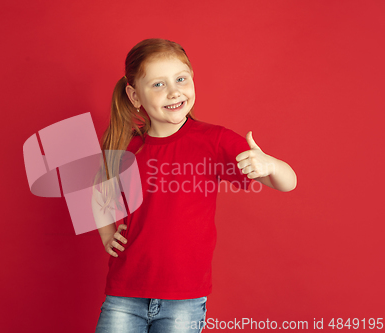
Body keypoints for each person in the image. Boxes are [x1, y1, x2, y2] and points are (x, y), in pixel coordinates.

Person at [93, 38, 297, 333]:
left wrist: (271, 166)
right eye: (158, 84)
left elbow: (288, 183)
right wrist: (106, 235)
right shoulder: (126, 145)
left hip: (184, 299)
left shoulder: (214, 141)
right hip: (125, 293)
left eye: (180, 79)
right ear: (134, 95)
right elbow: (98, 191)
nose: (174, 91)